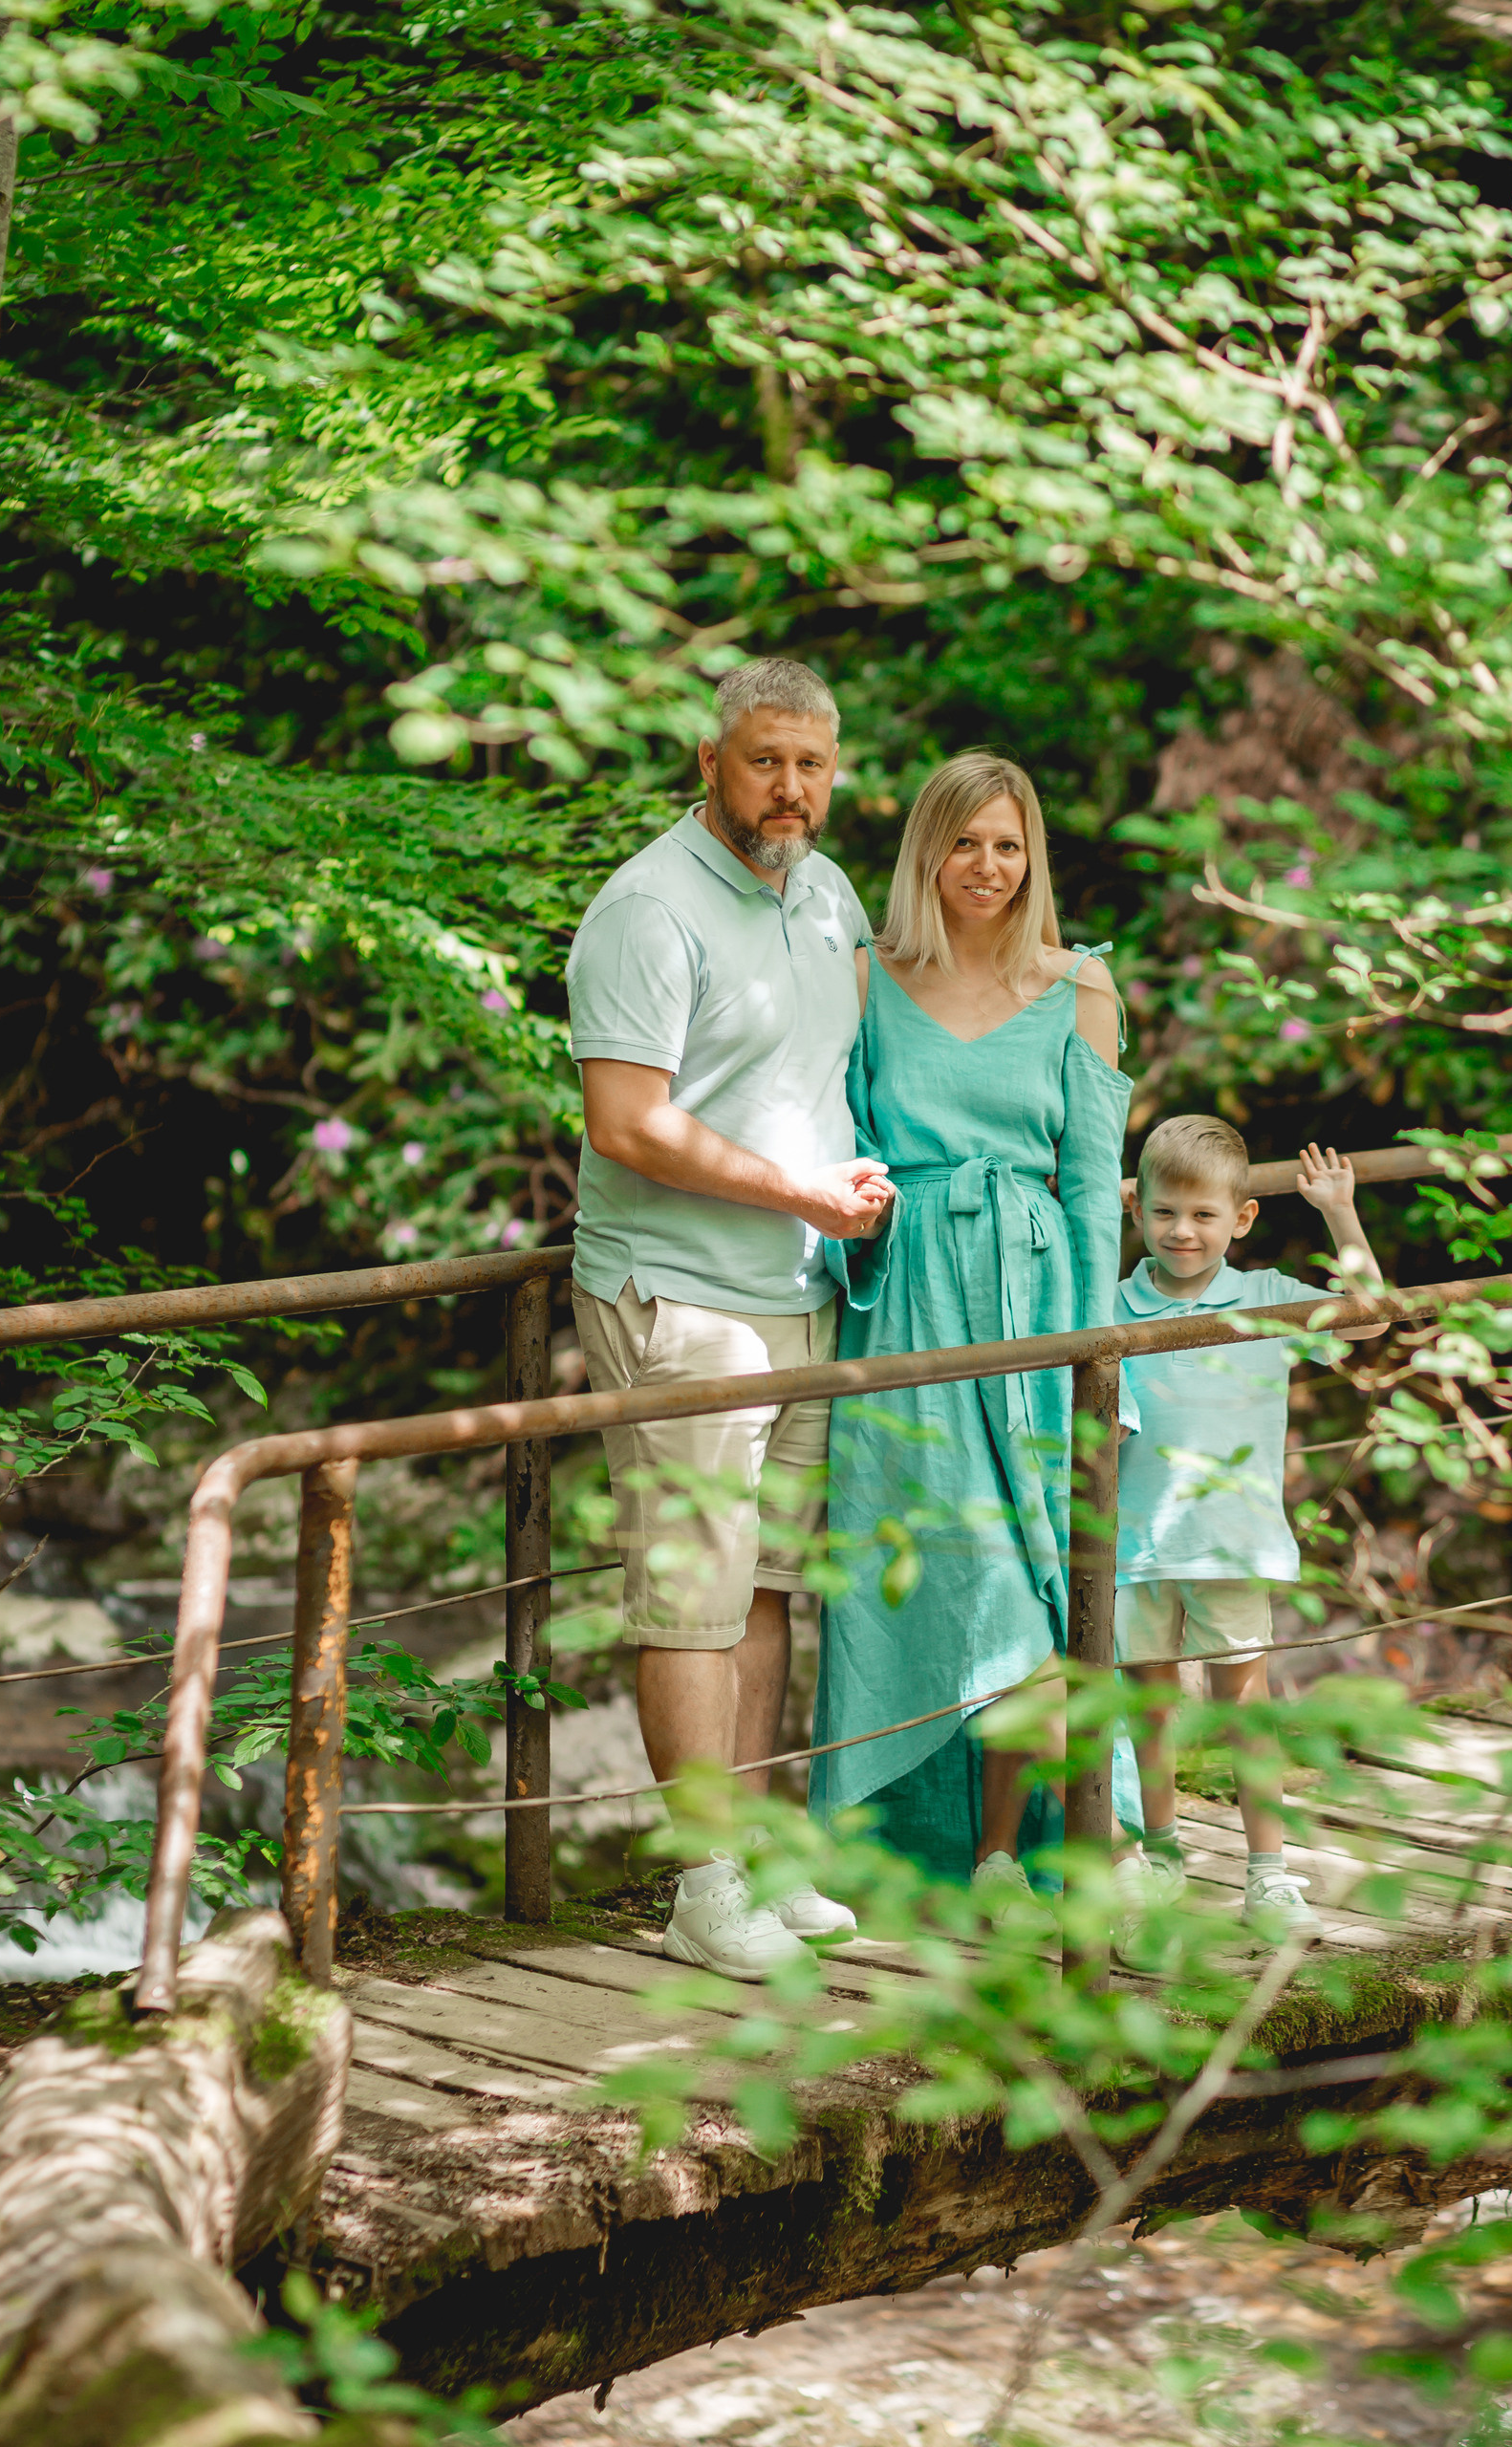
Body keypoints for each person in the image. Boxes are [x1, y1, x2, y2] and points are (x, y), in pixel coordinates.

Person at [566, 657, 890, 1981]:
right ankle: (702, 1887)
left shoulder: (822, 891)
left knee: (762, 1589)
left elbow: (856, 1053)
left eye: (809, 764)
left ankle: (751, 1856)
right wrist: (795, 1186)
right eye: (763, 761)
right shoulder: (645, 910)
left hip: (798, 1292)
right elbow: (625, 1124)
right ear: (710, 762)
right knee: (688, 1597)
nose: (789, 789)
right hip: (681, 1299)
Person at [810, 751, 1142, 1906]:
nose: (987, 867)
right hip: (908, 1305)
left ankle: (1059, 1847)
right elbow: (835, 1143)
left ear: (1031, 855)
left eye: (1008, 845)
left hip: (1041, 1299)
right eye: (964, 843)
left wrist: (1097, 1350)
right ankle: (928, 1847)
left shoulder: (1081, 982)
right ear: (925, 853)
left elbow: (1096, 1182)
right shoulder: (868, 974)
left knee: (1052, 1574)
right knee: (941, 1576)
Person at [1112, 1115, 1382, 1949]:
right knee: (1146, 1710)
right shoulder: (1109, 1305)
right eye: (1163, 1213)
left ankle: (1267, 1871)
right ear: (1137, 1213)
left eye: (1201, 1215)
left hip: (1229, 1539)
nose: (1180, 1232)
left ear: (1241, 1219)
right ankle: (1159, 1852)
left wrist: (1339, 1212)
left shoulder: (1264, 1298)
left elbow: (1368, 1318)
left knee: (1243, 1709)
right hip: (1133, 1545)